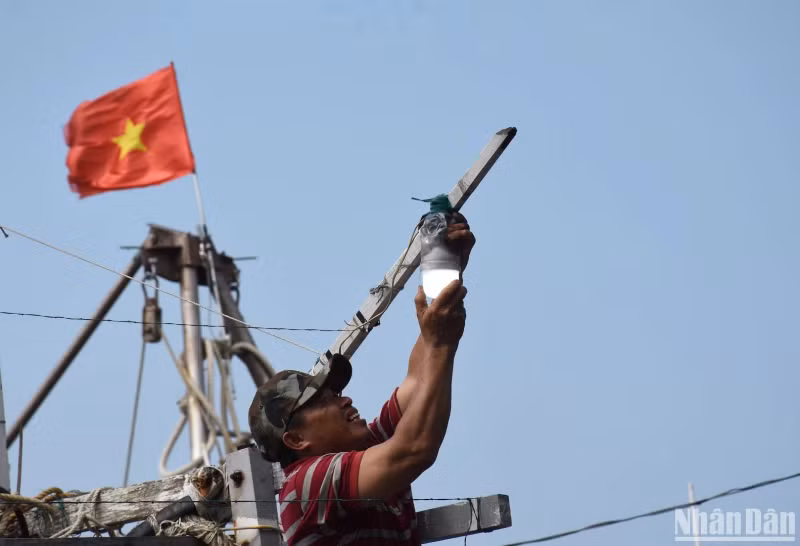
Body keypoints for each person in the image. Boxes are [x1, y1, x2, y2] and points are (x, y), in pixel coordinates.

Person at [248, 214, 475, 545]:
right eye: (324, 401)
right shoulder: (305, 483)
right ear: (296, 440)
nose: (345, 400)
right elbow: (414, 450)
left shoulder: (367, 448)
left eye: (335, 392)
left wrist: (444, 274)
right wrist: (441, 343)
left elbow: (418, 380)